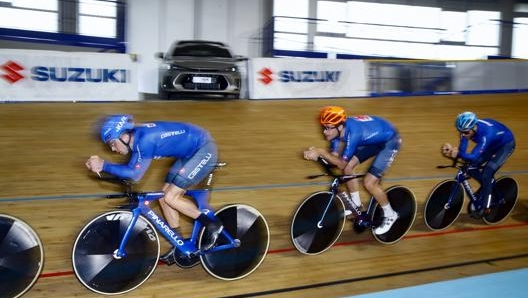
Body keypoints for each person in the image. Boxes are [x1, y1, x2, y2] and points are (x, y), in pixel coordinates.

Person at [85, 114, 223, 265]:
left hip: (203, 149)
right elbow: (130, 170)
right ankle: (179, 244)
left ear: (124, 136)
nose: (112, 149)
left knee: (171, 197)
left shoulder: (144, 140)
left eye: (112, 143)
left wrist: (104, 165)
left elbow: (135, 174)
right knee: (163, 198)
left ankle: (212, 224)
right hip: (190, 153)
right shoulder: (136, 140)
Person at [303, 106, 401, 235]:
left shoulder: (353, 133)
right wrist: (318, 156)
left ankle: (390, 214)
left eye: (328, 128)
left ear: (339, 126)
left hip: (390, 140)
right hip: (374, 138)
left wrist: (321, 152)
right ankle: (356, 204)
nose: (325, 132)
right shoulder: (337, 133)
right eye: (324, 127)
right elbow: (335, 157)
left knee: (369, 183)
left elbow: (341, 164)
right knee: (348, 168)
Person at [441, 111, 515, 218]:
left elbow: (474, 156)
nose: (463, 134)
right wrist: (456, 154)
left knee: (487, 173)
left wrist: (458, 153)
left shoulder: (486, 134)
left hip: (505, 145)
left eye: (465, 132)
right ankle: (487, 187)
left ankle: (486, 208)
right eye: (460, 132)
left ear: (474, 128)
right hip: (492, 144)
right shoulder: (466, 129)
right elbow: (463, 147)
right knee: (469, 166)